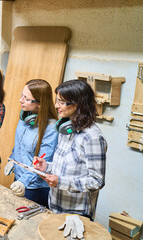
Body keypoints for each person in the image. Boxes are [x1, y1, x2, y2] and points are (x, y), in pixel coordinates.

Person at [33, 80, 107, 220]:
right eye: (57, 101)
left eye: (61, 102)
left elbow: (97, 181)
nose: (56, 106)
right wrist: (46, 166)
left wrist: (60, 182)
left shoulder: (92, 138)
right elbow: (66, 167)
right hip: (54, 206)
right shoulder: (65, 129)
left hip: (76, 214)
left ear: (78, 104)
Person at [9, 79, 58, 207]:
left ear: (40, 104)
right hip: (19, 179)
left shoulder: (51, 129)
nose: (21, 100)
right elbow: (19, 145)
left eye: (26, 98)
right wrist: (12, 160)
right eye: (21, 95)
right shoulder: (25, 117)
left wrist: (23, 182)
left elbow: (42, 161)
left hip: (34, 188)